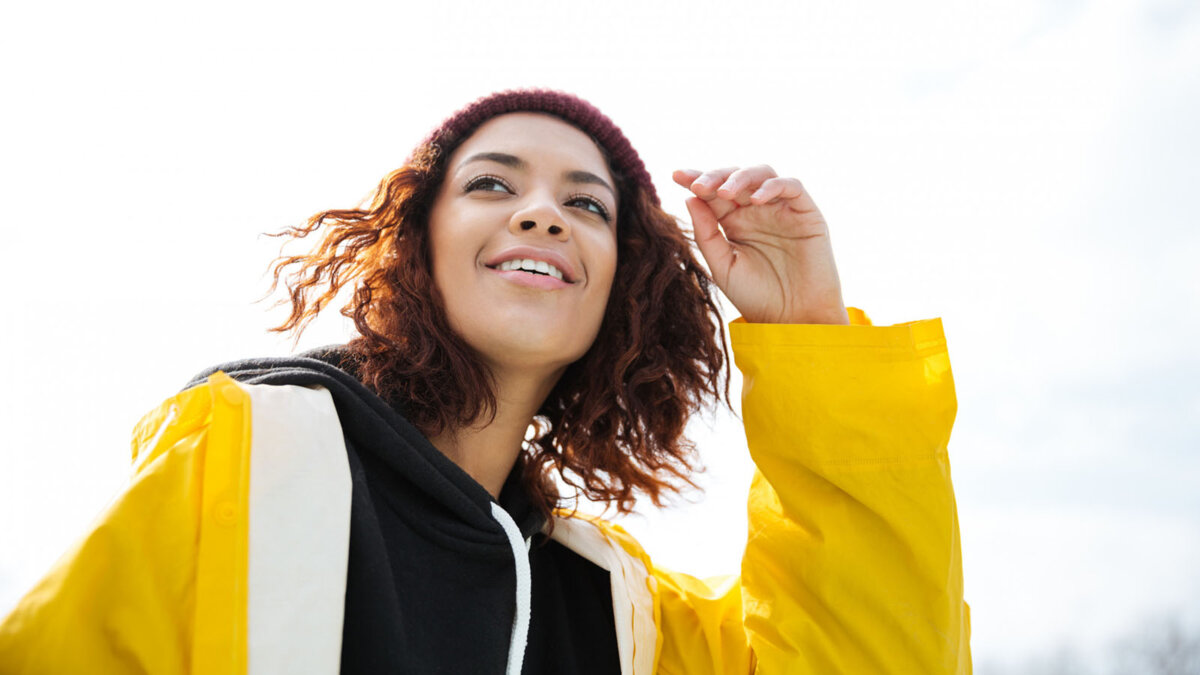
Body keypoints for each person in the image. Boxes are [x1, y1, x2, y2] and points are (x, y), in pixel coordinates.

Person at [0, 90, 971, 674]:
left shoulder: (619, 608)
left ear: (620, 290)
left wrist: (807, 329)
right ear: (417, 249)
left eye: (585, 204)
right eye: (493, 185)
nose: (543, 215)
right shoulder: (251, 452)